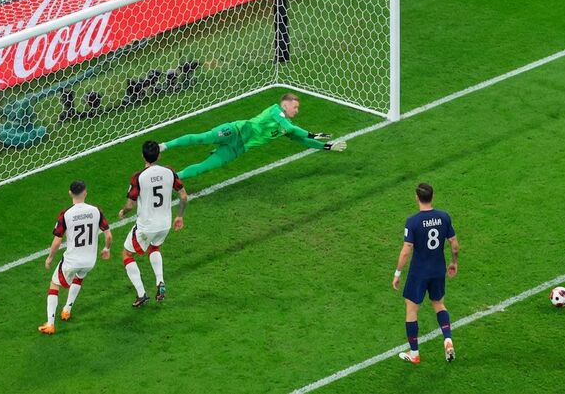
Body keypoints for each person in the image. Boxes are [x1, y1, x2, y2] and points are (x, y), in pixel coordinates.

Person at [160, 93, 346, 179]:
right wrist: (311, 132)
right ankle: (164, 146)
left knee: (204, 168)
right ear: (285, 104)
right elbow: (290, 127)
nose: (297, 111)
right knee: (202, 138)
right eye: (295, 107)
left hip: (238, 148)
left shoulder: (287, 127)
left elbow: (303, 140)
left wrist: (326, 146)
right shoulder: (275, 111)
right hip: (235, 130)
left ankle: (171, 178)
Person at [391, 183, 459, 364]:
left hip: (419, 272)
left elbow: (406, 250)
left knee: (411, 309)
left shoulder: (412, 221)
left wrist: (397, 273)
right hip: (438, 269)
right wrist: (453, 262)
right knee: (438, 304)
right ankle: (447, 339)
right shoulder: (444, 217)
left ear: (417, 197)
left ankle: (414, 354)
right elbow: (454, 244)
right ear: (432, 196)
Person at [118, 140, 188, 307]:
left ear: (143, 156)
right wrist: (180, 216)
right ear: (159, 155)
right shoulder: (169, 172)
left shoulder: (139, 176)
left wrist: (123, 212)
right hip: (164, 224)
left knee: (127, 254)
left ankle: (141, 294)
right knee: (154, 248)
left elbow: (130, 204)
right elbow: (184, 196)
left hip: (146, 226)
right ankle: (160, 282)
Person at [38, 180, 112, 334]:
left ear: (70, 193)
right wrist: (106, 248)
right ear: (85, 192)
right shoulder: (96, 211)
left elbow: (57, 240)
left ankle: (50, 324)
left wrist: (50, 258)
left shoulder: (66, 214)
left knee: (54, 284)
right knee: (79, 276)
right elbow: (108, 234)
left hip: (72, 260)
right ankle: (67, 309)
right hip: (89, 261)